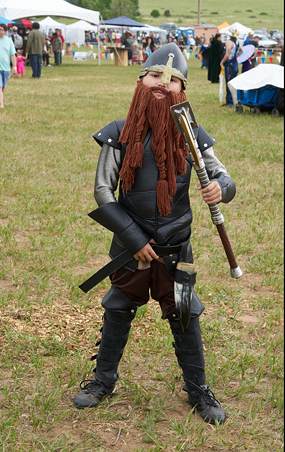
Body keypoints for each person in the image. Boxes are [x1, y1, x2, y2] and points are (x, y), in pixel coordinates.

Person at [73, 43, 237, 425]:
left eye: (174, 79)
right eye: (154, 75)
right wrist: (135, 240)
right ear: (139, 80)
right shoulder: (119, 134)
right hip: (131, 247)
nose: (163, 82)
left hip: (177, 246)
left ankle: (198, 389)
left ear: (183, 91)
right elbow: (103, 191)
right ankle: (103, 380)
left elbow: (223, 177)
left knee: (184, 313)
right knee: (118, 307)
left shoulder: (192, 135)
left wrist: (221, 189)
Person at [220, 27, 240, 107]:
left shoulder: (229, 42)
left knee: (229, 83)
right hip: (234, 64)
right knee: (233, 83)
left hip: (229, 65)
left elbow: (227, 54)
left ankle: (230, 102)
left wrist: (222, 61)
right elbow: (241, 51)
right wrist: (235, 57)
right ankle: (233, 100)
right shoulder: (236, 42)